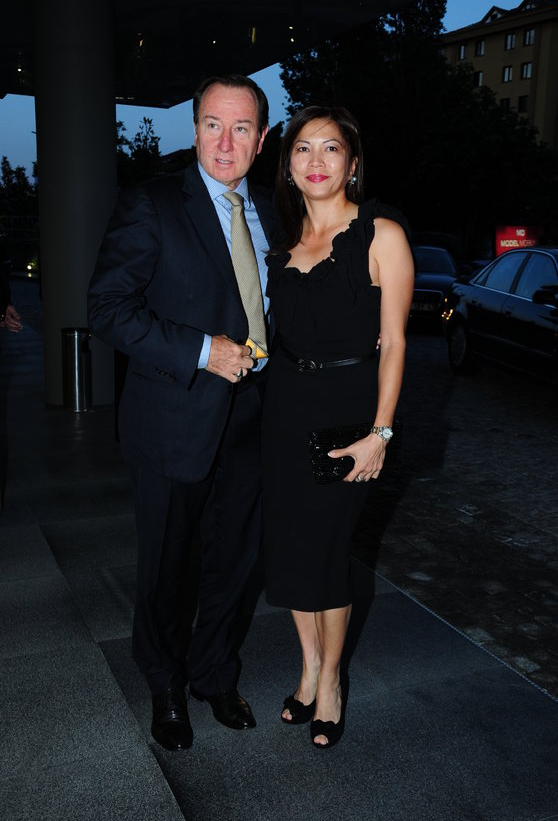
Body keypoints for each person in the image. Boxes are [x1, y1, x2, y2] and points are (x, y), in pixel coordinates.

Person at [88, 74, 277, 751]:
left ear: (261, 138)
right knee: (168, 566)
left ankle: (213, 674)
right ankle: (164, 682)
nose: (225, 142)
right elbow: (107, 308)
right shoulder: (153, 203)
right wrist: (202, 351)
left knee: (234, 562)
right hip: (174, 418)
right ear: (194, 129)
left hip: (253, 416)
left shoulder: (271, 211)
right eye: (212, 125)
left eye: (241, 128)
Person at [262, 106, 415, 748]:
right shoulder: (282, 239)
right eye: (303, 148)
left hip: (348, 416)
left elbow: (396, 342)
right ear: (288, 166)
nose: (316, 160)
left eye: (331, 147)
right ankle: (306, 666)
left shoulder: (381, 235)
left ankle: (330, 682)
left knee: (326, 550)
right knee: (292, 548)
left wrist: (381, 433)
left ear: (352, 163)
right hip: (283, 408)